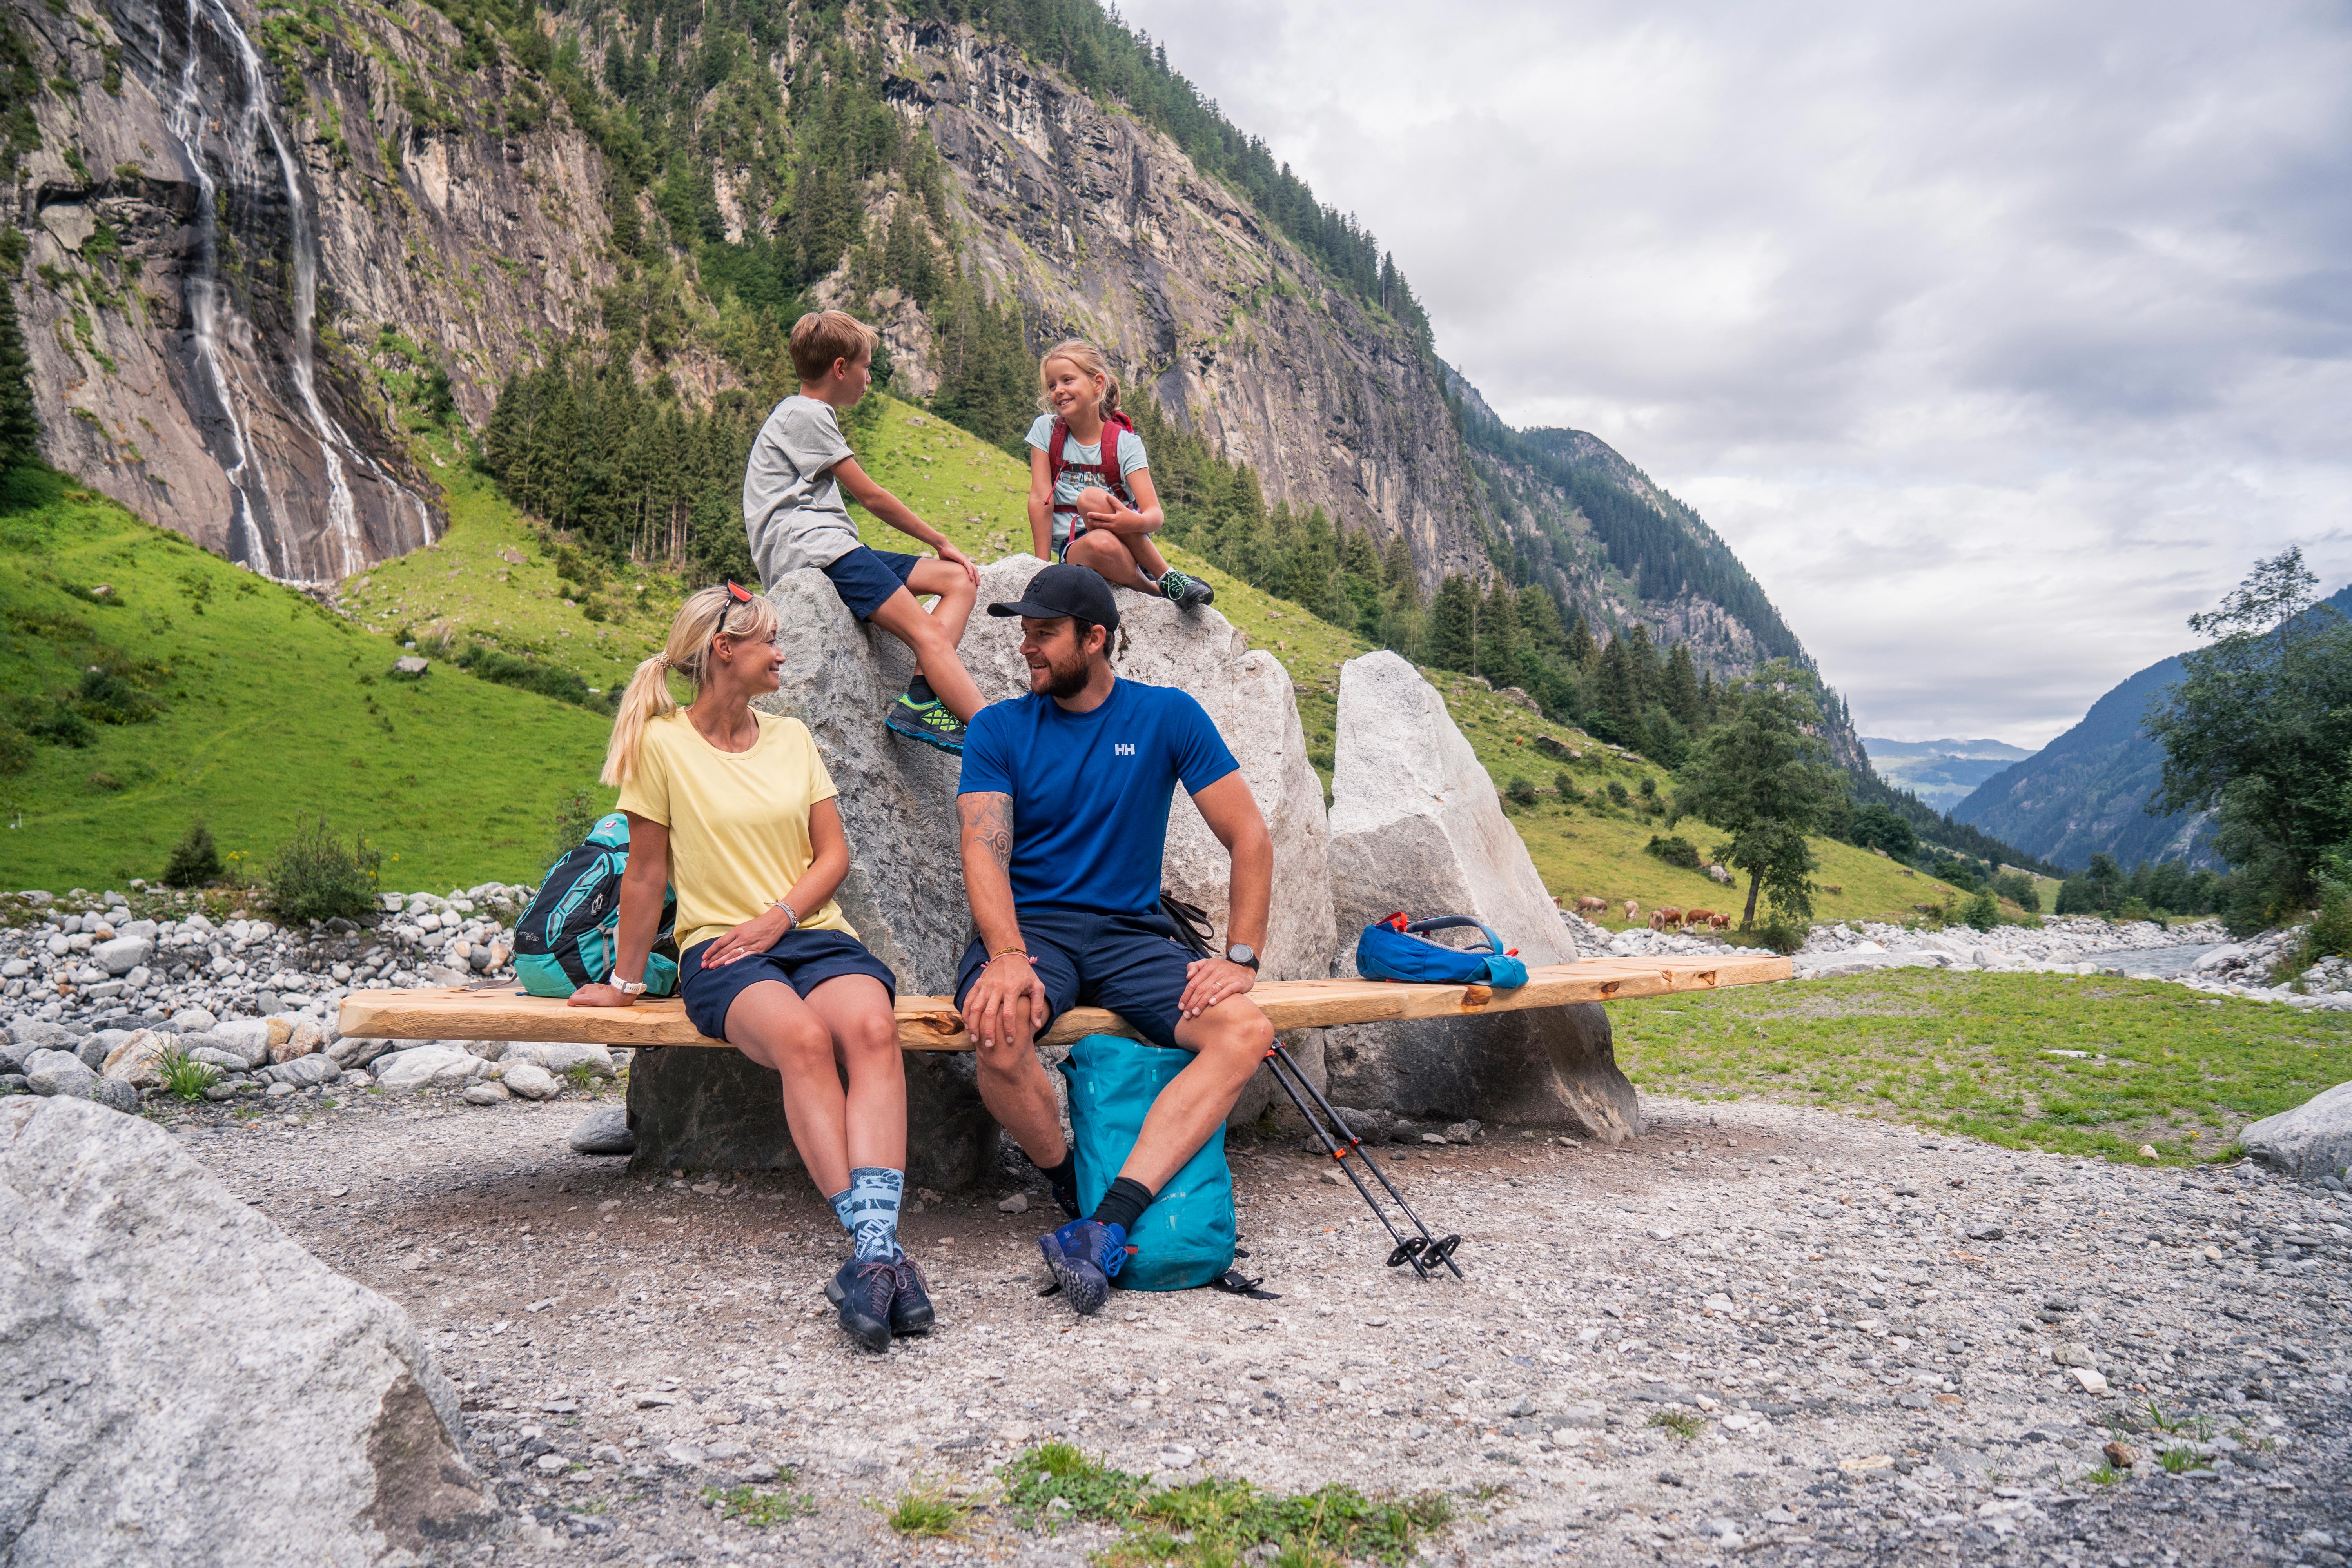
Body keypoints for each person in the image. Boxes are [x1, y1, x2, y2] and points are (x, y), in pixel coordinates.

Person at [569, 582, 926, 1352]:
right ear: (724, 650)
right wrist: (626, 983)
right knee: (801, 1041)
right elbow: (645, 874)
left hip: (809, 932)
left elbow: (833, 855)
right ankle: (883, 1255)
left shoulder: (792, 738)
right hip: (720, 949)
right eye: (769, 641)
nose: (782, 654)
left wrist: (780, 917)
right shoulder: (662, 744)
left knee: (870, 1026)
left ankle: (872, 1255)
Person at [953, 563, 1274, 1315]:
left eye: (1043, 633)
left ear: (1095, 639)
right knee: (998, 1031)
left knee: (1245, 1030)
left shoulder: (1167, 717)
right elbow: (982, 850)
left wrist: (1240, 959)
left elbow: (1250, 838)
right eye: (1023, 632)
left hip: (1133, 937)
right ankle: (1071, 1186)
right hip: (1032, 932)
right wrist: (1004, 957)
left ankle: (1107, 1222)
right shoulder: (998, 728)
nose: (1025, 648)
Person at [744, 309, 985, 753]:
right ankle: (998, 737)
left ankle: (921, 695)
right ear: (840, 368)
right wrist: (939, 540)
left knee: (959, 580)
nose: (869, 379)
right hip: (815, 551)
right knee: (927, 634)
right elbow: (871, 497)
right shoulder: (805, 413)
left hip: (836, 547)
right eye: (866, 368)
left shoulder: (801, 413)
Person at [1024, 340, 1214, 610]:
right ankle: (1154, 590)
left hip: (1130, 545)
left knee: (1091, 500)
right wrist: (1042, 569)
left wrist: (1129, 522)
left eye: (1067, 380)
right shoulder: (1046, 430)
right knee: (1100, 541)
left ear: (1097, 384)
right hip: (1079, 549)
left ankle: (1167, 576)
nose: (1059, 391)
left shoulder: (1126, 444)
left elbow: (1155, 517)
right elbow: (1040, 498)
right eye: (1052, 385)